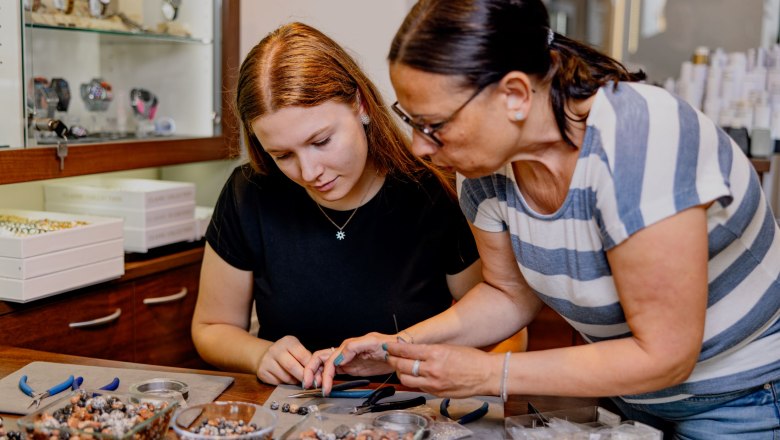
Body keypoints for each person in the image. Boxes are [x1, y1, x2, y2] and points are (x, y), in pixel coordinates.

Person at [306, 0, 780, 437]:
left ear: (514, 94)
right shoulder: (485, 167)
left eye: (434, 125)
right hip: (633, 399)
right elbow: (507, 294)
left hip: (743, 400)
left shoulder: (641, 143)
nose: (420, 147)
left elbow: (666, 357)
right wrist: (397, 346)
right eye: (411, 120)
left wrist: (490, 373)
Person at [191, 21, 483, 386]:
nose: (310, 172)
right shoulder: (250, 192)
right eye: (283, 155)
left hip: (410, 411)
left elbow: (500, 324)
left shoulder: (431, 190)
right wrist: (259, 354)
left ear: (360, 104)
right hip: (293, 411)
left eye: (322, 141)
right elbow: (211, 327)